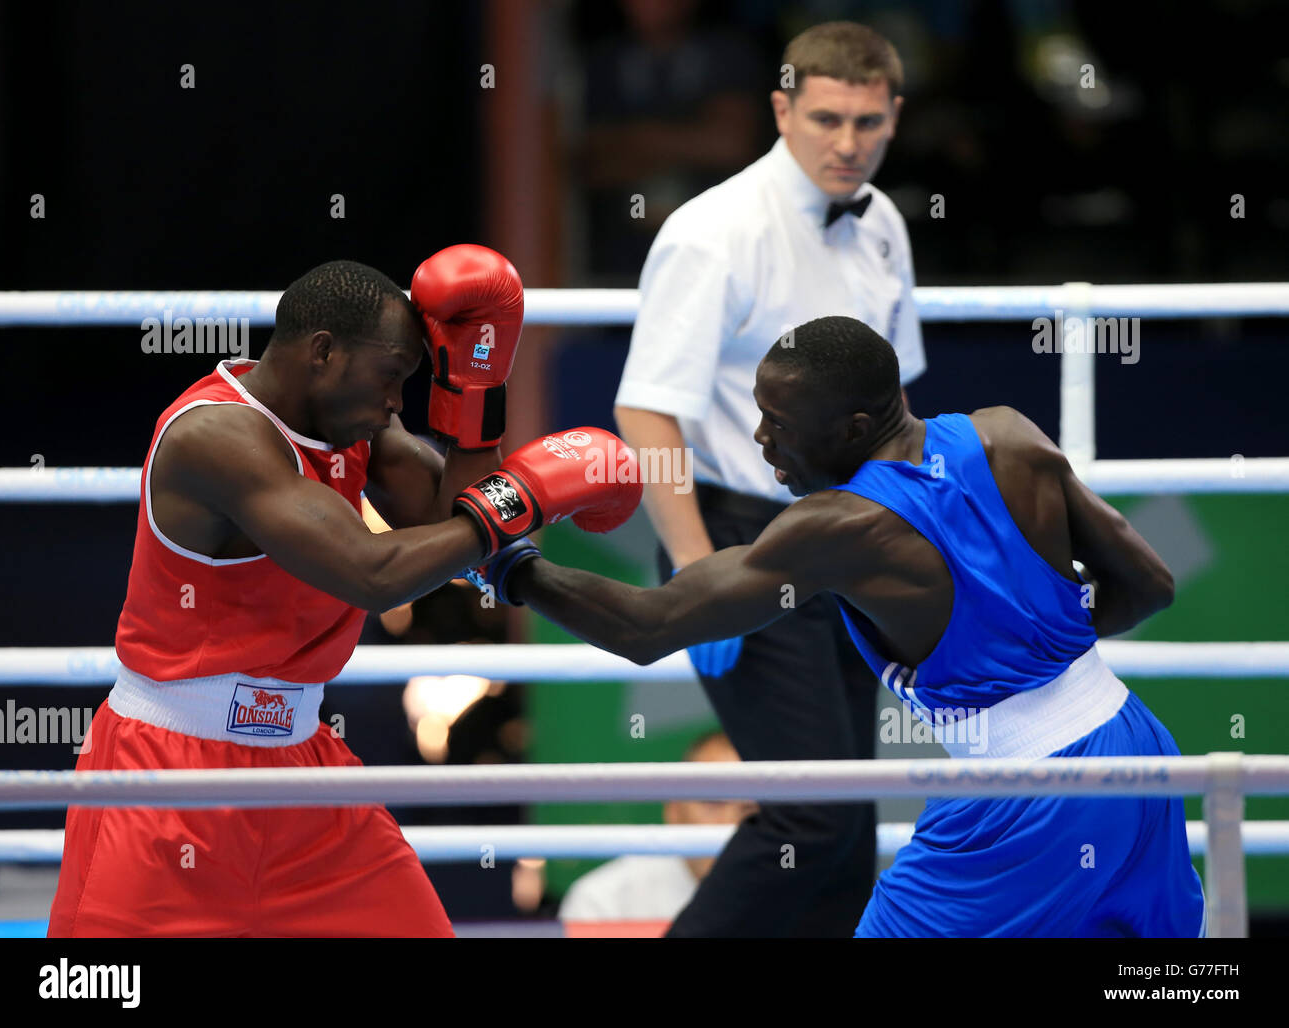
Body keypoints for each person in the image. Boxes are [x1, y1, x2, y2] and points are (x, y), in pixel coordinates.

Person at [490, 315, 1207, 938]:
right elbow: (1150, 586)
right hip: (1135, 749)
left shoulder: (841, 525)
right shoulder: (1007, 434)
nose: (762, 438)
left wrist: (509, 560)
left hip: (1025, 794)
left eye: (782, 424)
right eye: (760, 411)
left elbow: (648, 627)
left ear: (855, 428)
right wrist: (1035, 646)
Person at [47, 250, 641, 937]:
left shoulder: (356, 426)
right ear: (323, 352)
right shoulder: (215, 437)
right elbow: (374, 570)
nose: (396, 401)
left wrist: (479, 395)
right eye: (391, 377)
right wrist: (524, 493)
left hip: (303, 773)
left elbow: (457, 525)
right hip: (168, 777)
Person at [611, 20, 925, 937]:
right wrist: (700, 567)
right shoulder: (714, 232)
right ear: (782, 109)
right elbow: (645, 411)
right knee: (810, 812)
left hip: (856, 538)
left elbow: (896, 404)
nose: (847, 141)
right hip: (746, 537)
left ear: (894, 116)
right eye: (826, 117)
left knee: (849, 824)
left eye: (867, 121)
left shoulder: (884, 225)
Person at [557, 731, 755, 926]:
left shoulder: (782, 896)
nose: (730, 824)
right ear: (674, 810)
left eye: (748, 810)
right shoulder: (604, 902)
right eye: (712, 803)